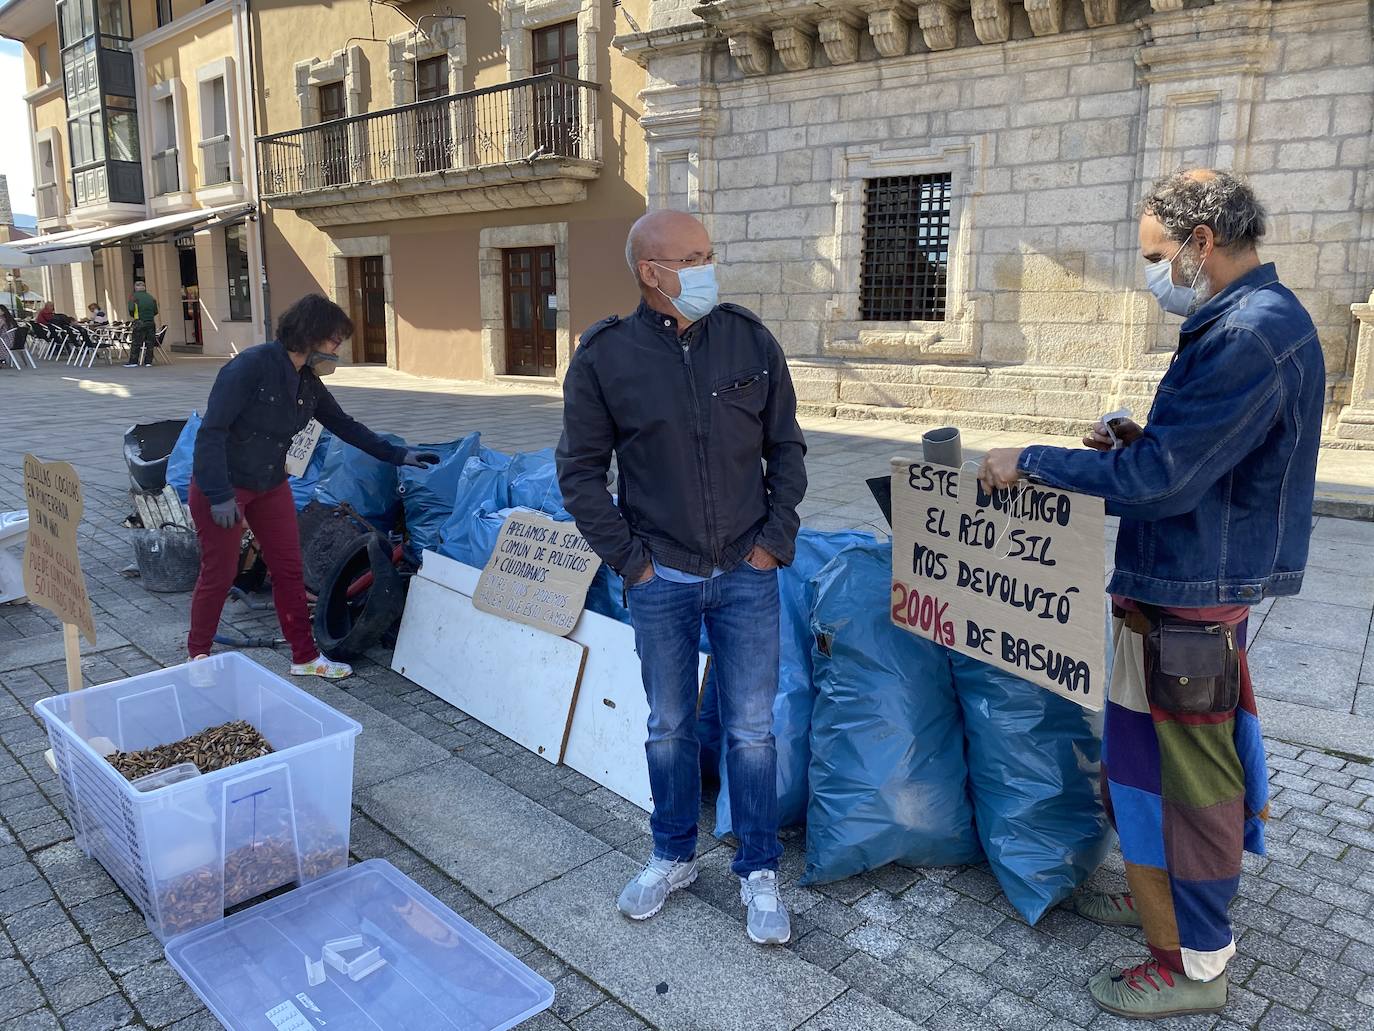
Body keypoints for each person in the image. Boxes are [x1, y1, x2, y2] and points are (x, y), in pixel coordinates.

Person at [979, 169, 1324, 1019]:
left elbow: (1165, 482)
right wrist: (1140, 437)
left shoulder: (1249, 333)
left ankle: (1199, 964)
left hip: (1191, 600)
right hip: (1173, 585)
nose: (1151, 274)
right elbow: (1197, 456)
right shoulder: (1236, 322)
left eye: (1154, 256)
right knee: (1140, 770)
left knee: (1192, 789)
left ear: (1202, 243)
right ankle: (1156, 895)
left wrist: (1035, 460)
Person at [556, 210, 807, 945]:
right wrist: (630, 561)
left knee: (753, 730)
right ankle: (671, 853)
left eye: (709, 253)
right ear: (651, 272)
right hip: (659, 575)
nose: (707, 267)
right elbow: (578, 472)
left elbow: (786, 448)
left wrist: (773, 542)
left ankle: (758, 868)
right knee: (667, 725)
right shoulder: (606, 356)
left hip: (747, 572)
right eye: (692, 257)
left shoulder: (749, 339)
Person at [188, 293, 440, 679]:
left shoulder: (307, 381)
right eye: (335, 338)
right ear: (311, 332)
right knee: (219, 573)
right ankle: (198, 656)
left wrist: (397, 454)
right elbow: (211, 432)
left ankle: (304, 657)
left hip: (270, 484)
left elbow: (344, 424)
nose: (339, 347)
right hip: (224, 485)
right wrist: (220, 495)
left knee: (289, 570)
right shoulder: (249, 367)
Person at [126, 280, 158, 367]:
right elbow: (155, 311)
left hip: (140, 321)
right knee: (150, 342)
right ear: (144, 288)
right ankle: (148, 362)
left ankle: (133, 362)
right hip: (151, 322)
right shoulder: (151, 297)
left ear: (136, 288)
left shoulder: (134, 297)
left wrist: (135, 316)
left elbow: (131, 309)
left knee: (136, 342)